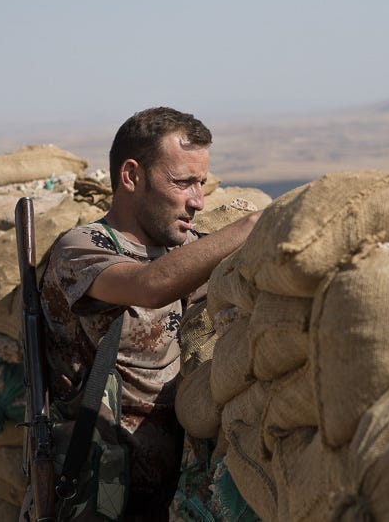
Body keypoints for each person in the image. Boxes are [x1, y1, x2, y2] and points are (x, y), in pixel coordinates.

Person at [37, 107, 261, 520]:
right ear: (131, 176)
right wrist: (249, 227)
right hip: (101, 493)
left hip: (176, 493)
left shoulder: (185, 250)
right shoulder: (80, 249)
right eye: (182, 183)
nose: (198, 200)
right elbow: (148, 286)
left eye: (201, 183)